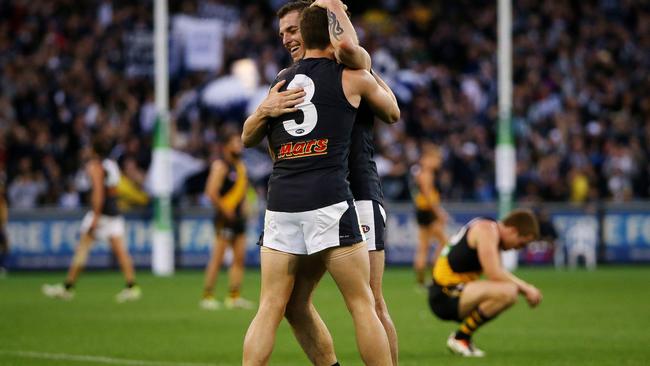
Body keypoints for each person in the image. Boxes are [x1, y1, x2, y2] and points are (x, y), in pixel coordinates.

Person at [241, 5, 399, 365]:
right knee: (361, 304)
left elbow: (256, 142)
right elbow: (392, 112)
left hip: (286, 199)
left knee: (271, 306)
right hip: (330, 198)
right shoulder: (351, 77)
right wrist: (365, 66)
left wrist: (267, 112)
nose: (286, 38)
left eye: (292, 30)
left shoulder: (282, 81)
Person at [428, 208, 543, 357]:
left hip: (452, 291)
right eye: (520, 243)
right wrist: (527, 289)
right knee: (508, 291)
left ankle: (462, 338)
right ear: (513, 230)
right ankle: (460, 338)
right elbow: (494, 273)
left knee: (507, 291)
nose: (517, 248)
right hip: (444, 294)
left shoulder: (489, 229)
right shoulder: (487, 230)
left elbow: (497, 274)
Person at [42, 138, 141, 302]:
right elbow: (114, 189)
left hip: (101, 213)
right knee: (121, 252)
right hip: (113, 212)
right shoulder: (111, 164)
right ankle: (132, 286)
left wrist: (95, 217)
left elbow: (98, 193)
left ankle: (68, 287)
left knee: (82, 249)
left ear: (94, 150)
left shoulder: (95, 166)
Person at [200, 130, 254, 310]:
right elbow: (211, 192)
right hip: (225, 217)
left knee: (239, 258)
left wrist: (246, 208)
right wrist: (226, 210)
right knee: (218, 257)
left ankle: (234, 295)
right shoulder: (220, 166)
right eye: (235, 143)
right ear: (226, 146)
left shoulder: (240, 166)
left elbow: (244, 193)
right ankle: (207, 295)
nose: (239, 145)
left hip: (239, 218)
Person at [412, 143, 448, 286]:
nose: (439, 162)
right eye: (437, 159)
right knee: (444, 243)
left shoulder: (420, 172)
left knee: (424, 246)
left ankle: (421, 280)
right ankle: (435, 273)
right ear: (428, 158)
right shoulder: (427, 174)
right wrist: (439, 212)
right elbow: (428, 196)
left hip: (422, 210)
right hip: (428, 211)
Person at [0, 171, 8, 278]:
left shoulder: (2, 200)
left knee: (5, 246)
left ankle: (2, 266)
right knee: (5, 245)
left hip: (0, 226)